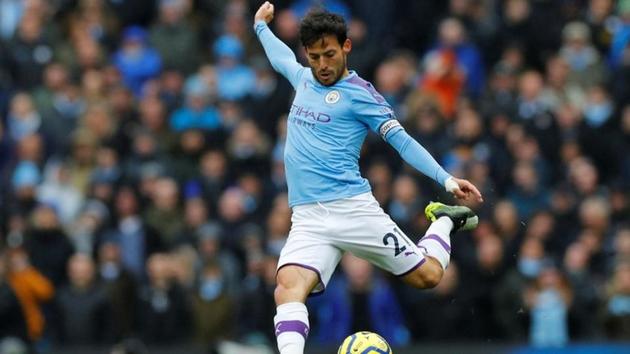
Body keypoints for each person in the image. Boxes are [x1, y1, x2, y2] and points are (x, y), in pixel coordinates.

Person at [253, 3, 483, 354]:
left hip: (353, 210)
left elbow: (402, 142)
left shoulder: (362, 94)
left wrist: (447, 179)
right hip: (308, 218)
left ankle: (443, 222)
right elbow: (279, 57)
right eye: (314, 56)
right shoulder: (303, 79)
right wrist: (260, 28)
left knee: (429, 277)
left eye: (329, 54)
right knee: (287, 286)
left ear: (346, 46)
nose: (322, 65)